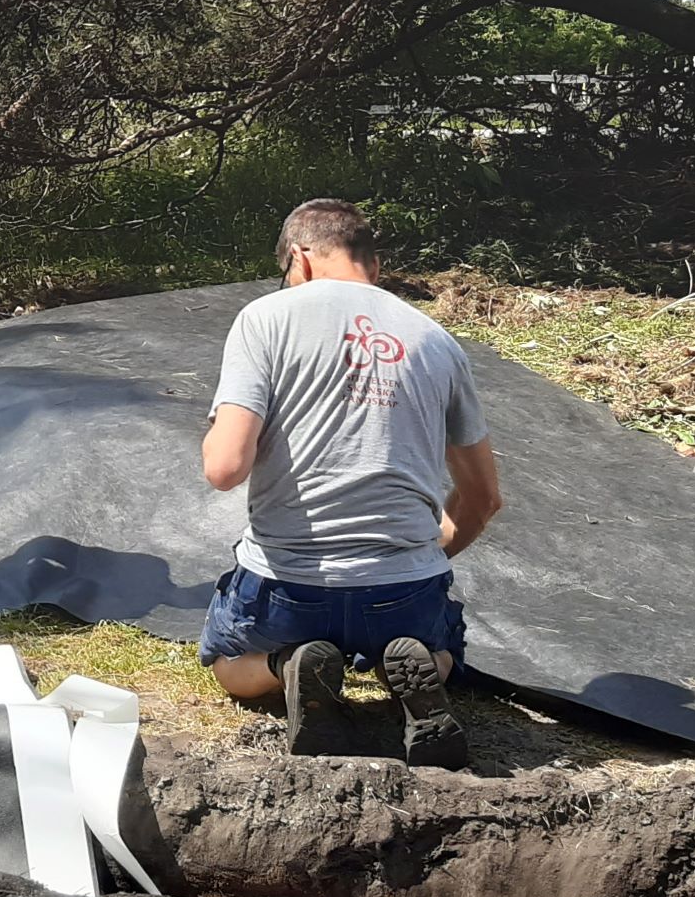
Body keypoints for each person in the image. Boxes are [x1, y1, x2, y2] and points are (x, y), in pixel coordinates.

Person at [197, 198, 503, 768]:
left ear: (300, 258)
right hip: (404, 589)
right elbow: (484, 498)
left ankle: (287, 665)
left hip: (289, 584)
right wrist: (420, 555)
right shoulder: (437, 341)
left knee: (225, 663)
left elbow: (225, 468)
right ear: (375, 266)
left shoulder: (266, 317)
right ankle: (410, 665)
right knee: (438, 652)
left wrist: (215, 428)